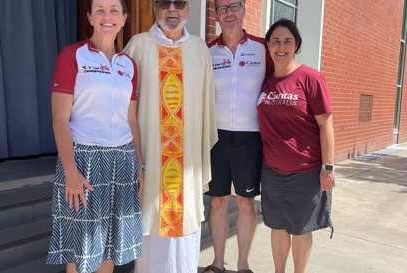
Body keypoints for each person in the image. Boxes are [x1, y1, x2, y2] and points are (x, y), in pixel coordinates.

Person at [46, 0, 143, 272]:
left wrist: (139, 166)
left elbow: (132, 120)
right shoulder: (73, 55)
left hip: (123, 160)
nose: (107, 16)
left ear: (124, 18)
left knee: (110, 243)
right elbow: (59, 119)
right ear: (89, 17)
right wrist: (70, 171)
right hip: (83, 161)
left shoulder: (130, 65)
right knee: (81, 247)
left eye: (114, 10)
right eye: (99, 10)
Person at [124, 0, 218, 273]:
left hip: (186, 159)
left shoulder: (199, 49)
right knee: (150, 228)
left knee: (185, 235)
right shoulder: (138, 46)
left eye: (180, 4)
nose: (172, 10)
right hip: (151, 158)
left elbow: (206, 104)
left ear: (188, 10)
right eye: (165, 3)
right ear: (155, 8)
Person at [257, 18, 335, 273]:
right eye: (276, 41)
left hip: (305, 172)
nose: (281, 47)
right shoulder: (266, 81)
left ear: (297, 45)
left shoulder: (310, 78)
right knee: (278, 226)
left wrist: (328, 167)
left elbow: (326, 124)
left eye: (287, 41)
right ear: (268, 46)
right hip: (272, 171)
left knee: (301, 228)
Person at [204, 1, 272, 272]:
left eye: (234, 6)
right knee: (218, 200)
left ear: (244, 9)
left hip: (250, 138)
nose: (228, 13)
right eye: (222, 8)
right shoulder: (207, 51)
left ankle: (243, 265)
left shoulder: (262, 48)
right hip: (216, 137)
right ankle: (218, 262)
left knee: (246, 203)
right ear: (217, 14)